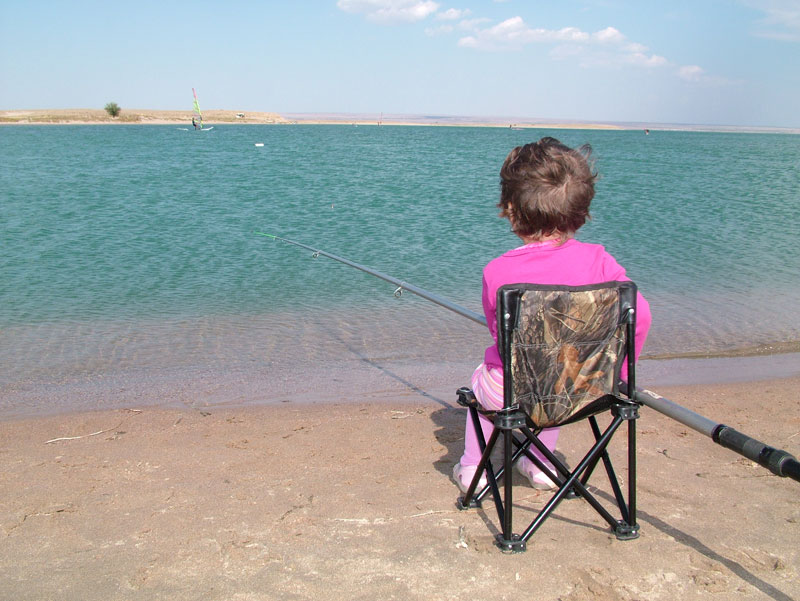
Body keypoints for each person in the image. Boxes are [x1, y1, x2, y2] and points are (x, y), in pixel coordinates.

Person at [452, 137, 652, 493]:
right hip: (584, 389)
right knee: (559, 368)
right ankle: (540, 463)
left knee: (488, 379)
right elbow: (641, 315)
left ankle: (473, 469)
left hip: (512, 393)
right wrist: (619, 375)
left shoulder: (498, 271)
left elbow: (501, 337)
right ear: (581, 208)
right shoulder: (601, 262)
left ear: (511, 210)